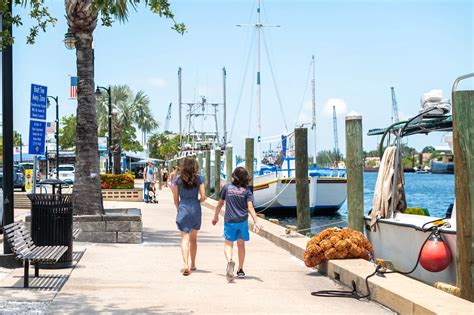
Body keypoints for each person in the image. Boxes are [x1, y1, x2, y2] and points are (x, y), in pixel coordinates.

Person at [212, 167, 261, 282]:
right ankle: (240, 270)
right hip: (242, 221)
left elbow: (219, 204)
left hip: (230, 221)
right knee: (241, 245)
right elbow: (250, 207)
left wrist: (215, 217)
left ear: (234, 176)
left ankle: (230, 260)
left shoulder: (227, 188)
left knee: (228, 244)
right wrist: (256, 222)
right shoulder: (247, 191)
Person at [172, 157, 206, 276]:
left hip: (183, 207)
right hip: (195, 208)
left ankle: (185, 264)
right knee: (193, 239)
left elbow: (175, 199)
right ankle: (193, 264)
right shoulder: (199, 179)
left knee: (184, 238)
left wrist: (179, 209)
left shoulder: (177, 180)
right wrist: (196, 202)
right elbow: (203, 196)